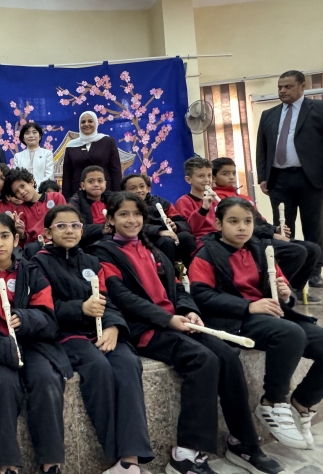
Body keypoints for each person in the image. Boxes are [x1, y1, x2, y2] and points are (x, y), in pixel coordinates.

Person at [91, 192, 283, 474]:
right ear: (110, 219)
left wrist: (188, 309)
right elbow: (122, 297)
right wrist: (168, 319)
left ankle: (243, 442)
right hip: (145, 328)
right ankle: (185, 454)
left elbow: (179, 288)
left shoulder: (153, 249)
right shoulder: (102, 253)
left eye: (137, 214)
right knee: (202, 359)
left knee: (228, 356)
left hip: (177, 321)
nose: (131, 220)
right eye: (123, 214)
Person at [190, 197, 323, 455]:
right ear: (218, 224)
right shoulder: (206, 254)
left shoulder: (261, 250)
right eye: (233, 221)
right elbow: (201, 295)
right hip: (233, 319)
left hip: (266, 316)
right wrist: (249, 306)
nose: (242, 227)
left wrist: (286, 295)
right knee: (290, 333)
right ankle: (272, 401)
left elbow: (283, 289)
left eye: (247, 221)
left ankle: (302, 402)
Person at [33, 205, 154, 474]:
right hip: (66, 335)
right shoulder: (38, 263)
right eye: (61, 226)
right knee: (98, 367)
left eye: (75, 225)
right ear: (48, 232)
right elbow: (45, 307)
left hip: (101, 332)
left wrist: (113, 327)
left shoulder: (91, 261)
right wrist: (80, 309)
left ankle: (130, 460)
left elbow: (108, 300)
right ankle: (113, 452)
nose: (69, 231)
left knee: (128, 363)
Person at [0, 212, 70, 474]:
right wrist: (6, 349)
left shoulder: (31, 271)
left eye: (5, 236)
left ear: (16, 239)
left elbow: (48, 318)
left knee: (46, 379)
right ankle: (8, 463)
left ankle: (51, 462)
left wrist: (24, 318)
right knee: (0, 384)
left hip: (31, 343)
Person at [211, 157, 320, 301]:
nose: (231, 177)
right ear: (214, 178)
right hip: (250, 241)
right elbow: (241, 227)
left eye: (233, 173)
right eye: (225, 174)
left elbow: (259, 221)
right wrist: (271, 234)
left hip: (263, 236)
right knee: (297, 252)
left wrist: (275, 229)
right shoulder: (217, 199)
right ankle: (270, 290)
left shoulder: (244, 198)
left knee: (313, 249)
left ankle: (293, 290)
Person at [256, 70, 323, 288]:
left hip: (310, 178)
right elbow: (262, 148)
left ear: (303, 86)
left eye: (288, 86)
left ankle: (314, 272)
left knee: (313, 226)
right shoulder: (269, 114)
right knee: (282, 226)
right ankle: (287, 271)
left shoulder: (318, 109)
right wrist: (263, 176)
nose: (282, 91)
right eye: (280, 87)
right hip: (279, 179)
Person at [122, 174, 196, 268]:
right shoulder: (124, 207)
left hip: (168, 236)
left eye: (142, 186)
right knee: (166, 241)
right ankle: (169, 274)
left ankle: (195, 272)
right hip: (145, 240)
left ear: (148, 189)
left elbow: (182, 221)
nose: (139, 190)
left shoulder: (160, 202)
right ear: (124, 192)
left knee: (186, 237)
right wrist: (159, 231)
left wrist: (175, 226)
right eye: (133, 188)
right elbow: (134, 227)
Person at [4, 167, 66, 257]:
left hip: (59, 242)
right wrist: (21, 233)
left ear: (31, 182)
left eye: (22, 186)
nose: (21, 192)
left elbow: (66, 221)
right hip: (37, 250)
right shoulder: (20, 211)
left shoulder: (56, 197)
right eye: (16, 191)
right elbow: (25, 242)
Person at [62, 112, 122, 198]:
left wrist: (117, 195)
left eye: (90, 121)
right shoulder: (71, 145)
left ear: (96, 123)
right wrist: (67, 198)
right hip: (78, 192)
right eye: (83, 122)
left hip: (104, 191)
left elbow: (115, 170)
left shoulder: (108, 142)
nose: (86, 124)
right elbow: (67, 175)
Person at [68, 165, 113, 249]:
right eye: (91, 181)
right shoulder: (75, 202)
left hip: (112, 239)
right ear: (83, 185)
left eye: (100, 181)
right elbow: (75, 227)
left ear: (105, 184)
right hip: (87, 243)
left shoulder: (113, 199)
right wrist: (102, 229)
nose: (96, 184)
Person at [12, 122, 54, 187]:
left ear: (40, 137)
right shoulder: (18, 156)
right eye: (27, 133)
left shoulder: (47, 154)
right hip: (23, 191)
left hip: (43, 191)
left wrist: (37, 190)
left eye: (34, 132)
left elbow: (49, 176)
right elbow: (15, 177)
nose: (31, 136)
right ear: (23, 138)